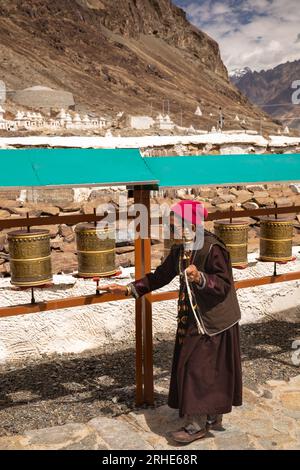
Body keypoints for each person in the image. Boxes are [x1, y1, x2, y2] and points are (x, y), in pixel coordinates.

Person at [101, 200, 242, 444]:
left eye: (176, 223)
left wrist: (200, 278)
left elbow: (223, 285)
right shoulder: (182, 250)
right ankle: (210, 417)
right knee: (203, 370)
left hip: (215, 320)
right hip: (194, 318)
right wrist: (127, 289)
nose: (172, 228)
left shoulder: (212, 248)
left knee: (198, 369)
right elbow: (160, 276)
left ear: (192, 224)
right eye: (172, 224)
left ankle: (196, 425)